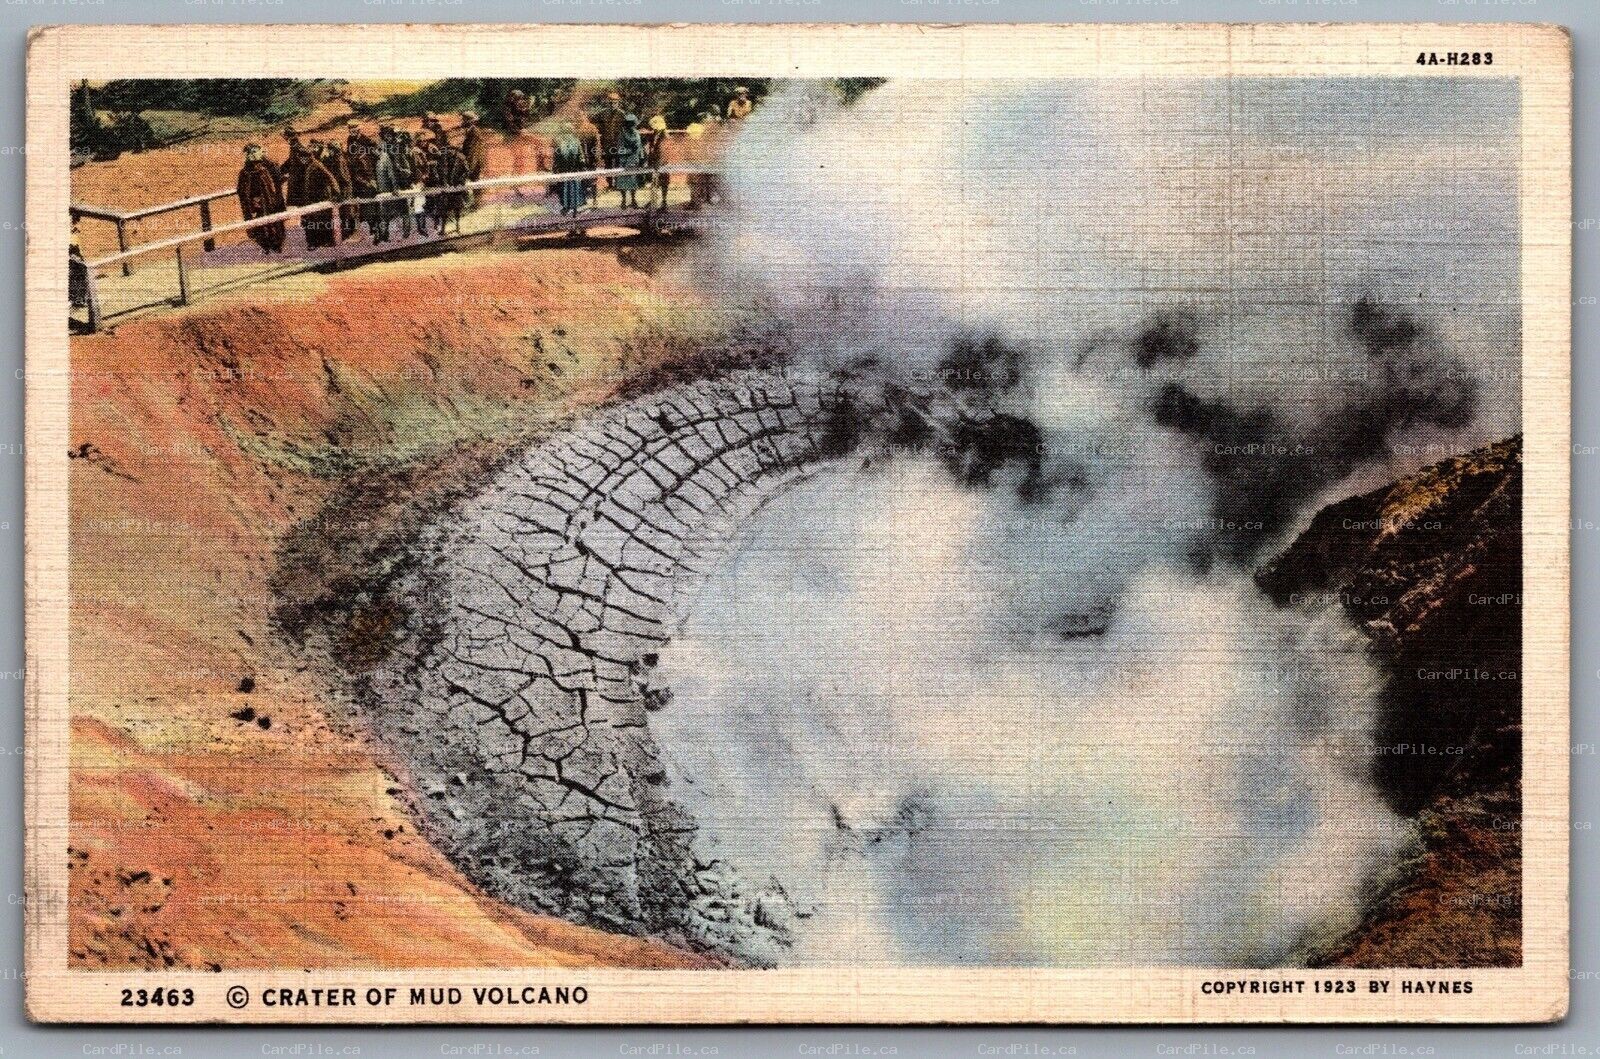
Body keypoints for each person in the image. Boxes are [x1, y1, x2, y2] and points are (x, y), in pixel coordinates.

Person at [235, 143, 287, 253]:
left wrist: (272, 199)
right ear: (248, 155)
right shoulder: (244, 172)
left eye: (256, 151)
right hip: (255, 205)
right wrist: (252, 201)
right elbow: (241, 189)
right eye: (252, 152)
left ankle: (277, 246)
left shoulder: (266, 167)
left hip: (270, 202)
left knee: (275, 224)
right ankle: (265, 246)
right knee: (259, 226)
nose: (256, 154)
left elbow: (274, 184)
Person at [300, 141, 342, 250]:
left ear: (309, 156)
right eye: (301, 158)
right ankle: (314, 243)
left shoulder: (317, 165)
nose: (302, 160)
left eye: (304, 157)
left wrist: (336, 193)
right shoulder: (308, 166)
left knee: (322, 221)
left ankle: (325, 242)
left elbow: (331, 178)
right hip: (312, 200)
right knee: (311, 221)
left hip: (321, 198)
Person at [346, 121, 382, 239]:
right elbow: (349, 154)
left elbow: (374, 149)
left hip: (368, 173)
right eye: (351, 130)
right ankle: (369, 227)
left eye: (354, 130)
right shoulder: (350, 140)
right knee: (362, 205)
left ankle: (375, 227)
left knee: (371, 203)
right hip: (357, 175)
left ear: (358, 130)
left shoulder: (365, 139)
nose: (352, 132)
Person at [324, 139, 358, 241]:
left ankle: (349, 233)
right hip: (345, 188)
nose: (329, 152)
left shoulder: (339, 160)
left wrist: (339, 191)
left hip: (344, 189)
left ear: (333, 150)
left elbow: (343, 177)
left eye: (330, 150)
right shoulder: (338, 158)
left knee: (346, 212)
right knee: (347, 211)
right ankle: (350, 231)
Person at [550, 121, 586, 217]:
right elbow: (581, 158)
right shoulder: (576, 141)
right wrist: (582, 167)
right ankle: (574, 209)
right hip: (574, 171)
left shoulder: (558, 141)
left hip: (563, 171)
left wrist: (554, 169)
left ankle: (566, 208)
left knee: (564, 190)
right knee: (574, 189)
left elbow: (556, 157)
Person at [611, 113, 646, 209]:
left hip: (633, 161)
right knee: (624, 182)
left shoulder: (636, 133)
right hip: (625, 162)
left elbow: (640, 147)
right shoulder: (622, 135)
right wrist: (633, 151)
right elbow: (620, 150)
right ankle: (624, 201)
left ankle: (633, 200)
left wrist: (641, 157)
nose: (633, 125)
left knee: (633, 182)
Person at [593, 91, 627, 190]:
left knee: (617, 163)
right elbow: (593, 122)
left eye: (615, 102)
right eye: (611, 102)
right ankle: (609, 184)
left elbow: (627, 127)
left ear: (618, 102)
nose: (613, 104)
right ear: (608, 102)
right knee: (607, 164)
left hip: (618, 144)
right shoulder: (602, 113)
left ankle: (617, 183)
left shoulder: (622, 114)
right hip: (606, 143)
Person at [501, 88, 533, 189]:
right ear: (513, 99)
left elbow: (525, 115)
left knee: (520, 159)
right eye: (518, 98)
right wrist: (519, 131)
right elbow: (509, 123)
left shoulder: (518, 105)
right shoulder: (508, 108)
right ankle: (515, 183)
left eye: (521, 98)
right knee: (518, 159)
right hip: (513, 135)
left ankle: (517, 182)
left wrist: (529, 106)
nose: (520, 100)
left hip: (520, 135)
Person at [458, 110, 487, 209]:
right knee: (475, 181)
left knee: (475, 181)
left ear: (469, 121)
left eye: (464, 120)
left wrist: (468, 165)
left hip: (475, 161)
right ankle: (476, 203)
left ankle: (478, 203)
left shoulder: (474, 131)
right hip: (474, 160)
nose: (463, 122)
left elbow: (473, 151)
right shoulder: (471, 130)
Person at [574, 110, 603, 205]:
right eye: (577, 117)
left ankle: (594, 199)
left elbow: (597, 144)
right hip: (580, 159)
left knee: (593, 180)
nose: (579, 118)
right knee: (582, 179)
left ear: (585, 116)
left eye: (581, 116)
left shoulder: (592, 128)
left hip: (591, 158)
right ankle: (584, 200)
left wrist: (597, 157)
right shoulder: (575, 129)